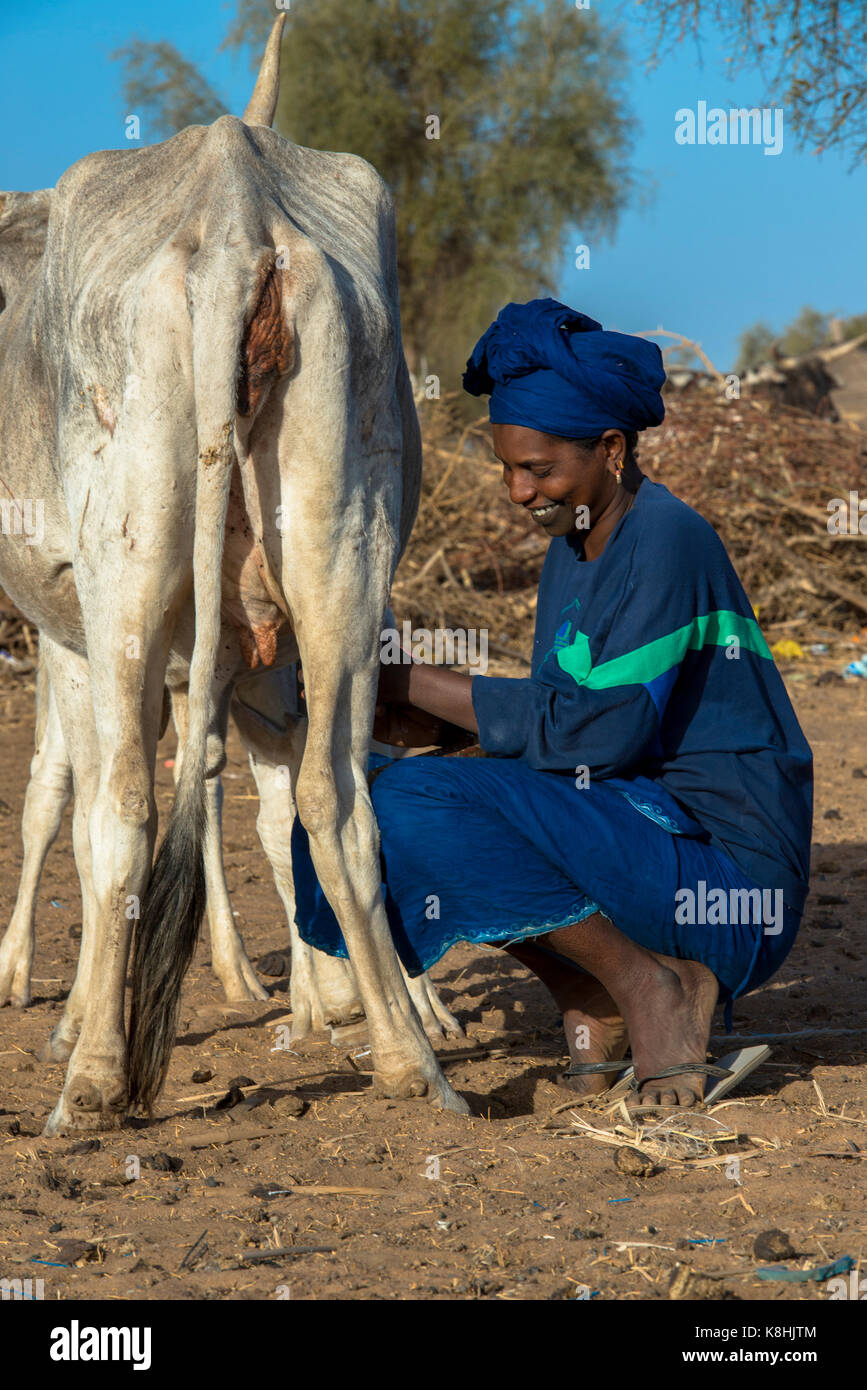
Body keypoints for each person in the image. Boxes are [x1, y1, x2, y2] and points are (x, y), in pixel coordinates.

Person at [292, 298, 813, 1109]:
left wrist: (395, 675)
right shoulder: (576, 540)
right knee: (346, 786)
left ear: (610, 449)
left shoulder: (667, 539)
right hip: (639, 831)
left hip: (726, 881)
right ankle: (590, 992)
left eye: (538, 469)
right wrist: (404, 716)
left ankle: (652, 985)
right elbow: (561, 726)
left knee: (418, 801)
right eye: (506, 467)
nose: (516, 491)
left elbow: (594, 736)